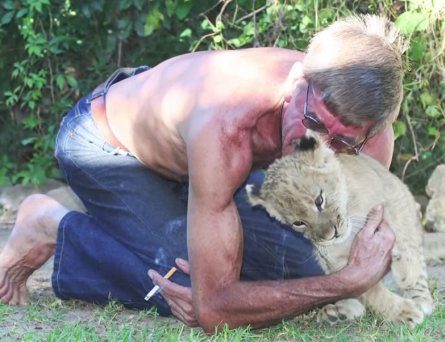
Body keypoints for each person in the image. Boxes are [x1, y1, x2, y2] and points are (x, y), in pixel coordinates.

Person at [0, 15, 404, 333]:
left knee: (299, 266)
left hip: (205, 167)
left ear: (372, 131)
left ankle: (172, 223)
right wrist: (345, 284)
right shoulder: (227, 118)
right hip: (108, 146)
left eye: (342, 142)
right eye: (313, 120)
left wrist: (349, 269)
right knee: (182, 289)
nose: (317, 146)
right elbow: (215, 311)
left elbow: (355, 246)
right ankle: (53, 225)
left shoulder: (370, 137)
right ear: (297, 81)